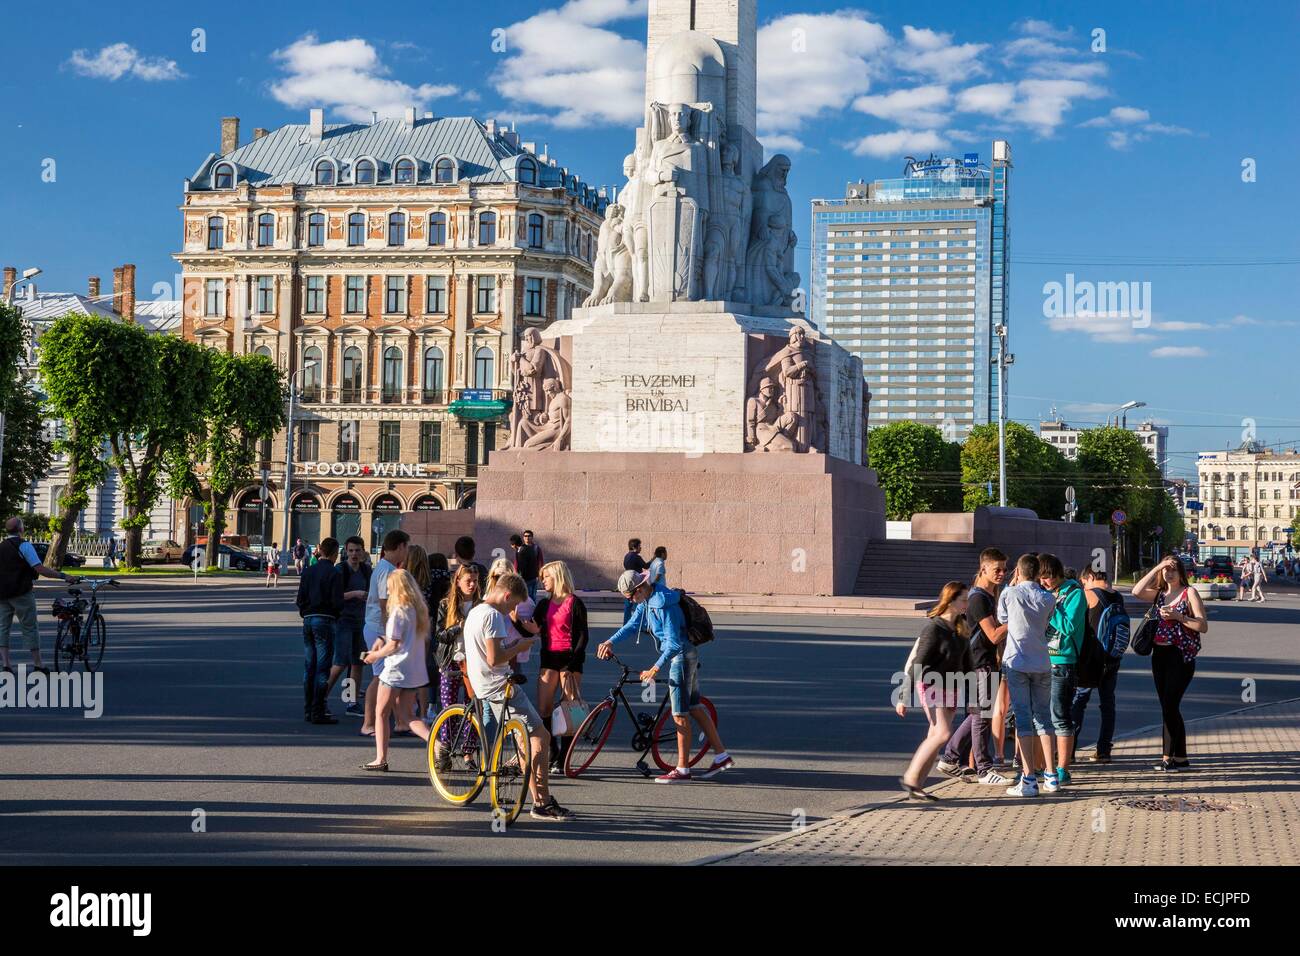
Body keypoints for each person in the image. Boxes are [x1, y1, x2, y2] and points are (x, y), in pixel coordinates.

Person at [598, 570, 733, 782]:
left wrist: (655, 667)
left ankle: (682, 769)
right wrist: (610, 641)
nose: (631, 601)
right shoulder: (648, 598)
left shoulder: (661, 603)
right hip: (687, 655)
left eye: (630, 596)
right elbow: (632, 625)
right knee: (695, 707)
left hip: (681, 658)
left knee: (680, 714)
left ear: (640, 588)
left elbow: (673, 643)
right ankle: (722, 756)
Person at [462, 571, 572, 821]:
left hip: (485, 686)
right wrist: (519, 646)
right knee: (540, 737)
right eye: (513, 604)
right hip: (500, 685)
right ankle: (542, 802)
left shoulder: (476, 611)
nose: (512, 611)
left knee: (526, 739)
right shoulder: (493, 616)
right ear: (507, 595)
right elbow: (494, 658)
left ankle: (538, 798)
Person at [936, 548, 1010, 785]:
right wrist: (1019, 618)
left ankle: (950, 758)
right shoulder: (978, 598)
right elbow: (994, 635)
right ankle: (984, 769)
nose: (1002, 573)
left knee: (978, 714)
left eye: (1004, 569)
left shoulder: (986, 595)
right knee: (981, 716)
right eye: (997, 569)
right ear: (984, 568)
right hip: (980, 662)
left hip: (983, 662)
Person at [1132, 555, 1208, 771]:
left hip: (1181, 656)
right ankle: (1182, 758)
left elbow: (1203, 626)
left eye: (1173, 569)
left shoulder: (1189, 593)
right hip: (1159, 655)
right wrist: (1158, 566)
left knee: (1169, 705)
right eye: (1166, 570)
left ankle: (1168, 757)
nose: (1169, 573)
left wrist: (1179, 616)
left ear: (1181, 572)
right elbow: (1136, 591)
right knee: (1169, 706)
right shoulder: (1159, 595)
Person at [898, 582, 973, 800]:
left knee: (934, 735)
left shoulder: (961, 627)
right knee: (943, 733)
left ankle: (917, 787)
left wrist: (975, 694)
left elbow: (968, 664)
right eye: (964, 600)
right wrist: (904, 696)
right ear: (950, 600)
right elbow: (917, 664)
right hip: (931, 685)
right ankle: (911, 777)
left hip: (952, 686)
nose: (967, 604)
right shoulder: (934, 628)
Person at [997, 553, 1058, 797]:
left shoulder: (1009, 594)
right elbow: (1048, 623)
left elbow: (1004, 619)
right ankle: (1051, 776)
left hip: (1017, 662)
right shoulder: (1048, 597)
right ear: (1038, 574)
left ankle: (1029, 778)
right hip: (1042, 661)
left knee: (1023, 718)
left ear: (1019, 572)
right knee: (1044, 717)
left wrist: (1013, 586)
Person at [360, 569, 432, 770]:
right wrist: (382, 639)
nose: (388, 592)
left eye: (390, 588)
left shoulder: (398, 611)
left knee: (381, 713)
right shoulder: (417, 611)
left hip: (394, 670)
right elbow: (400, 638)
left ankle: (380, 758)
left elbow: (394, 645)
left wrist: (374, 655)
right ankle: (437, 745)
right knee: (409, 716)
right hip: (413, 671)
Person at [533, 560, 589, 772]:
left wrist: (574, 661)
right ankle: (552, 750)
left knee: (569, 709)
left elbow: (583, 635)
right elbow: (533, 627)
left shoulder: (574, 602)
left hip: (570, 659)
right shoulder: (544, 604)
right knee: (544, 707)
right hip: (548, 658)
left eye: (546, 577)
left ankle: (564, 757)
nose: (543, 581)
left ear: (557, 576)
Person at [0, 517, 75, 675]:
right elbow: (40, 569)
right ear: (21, 529)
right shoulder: (24, 545)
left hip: (2, 594)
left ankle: (6, 664)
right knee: (30, 628)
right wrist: (63, 576)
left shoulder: (1, 546)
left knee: (2, 628)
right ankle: (38, 664)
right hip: (22, 593)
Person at [1070, 565, 1126, 763]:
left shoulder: (1088, 595)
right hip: (1113, 657)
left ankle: (1069, 750)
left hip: (1091, 658)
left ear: (1090, 577)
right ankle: (1103, 750)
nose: (1083, 585)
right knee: (1108, 703)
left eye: (1084, 581)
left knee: (1079, 701)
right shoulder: (1118, 597)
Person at [1038, 553, 1085, 788]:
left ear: (1057, 573)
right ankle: (1042, 765)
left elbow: (1068, 626)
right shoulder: (1045, 593)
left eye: (1047, 577)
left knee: (1060, 717)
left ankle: (1063, 769)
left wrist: (1050, 607)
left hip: (1063, 661)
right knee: (1041, 717)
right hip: (1041, 660)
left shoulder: (1074, 592)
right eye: (1041, 578)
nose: (1044, 582)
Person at [360, 530, 409, 738]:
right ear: (399, 547)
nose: (406, 552)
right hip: (379, 630)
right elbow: (384, 605)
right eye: (406, 547)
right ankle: (368, 723)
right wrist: (390, 635)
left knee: (391, 676)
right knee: (380, 677)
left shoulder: (384, 567)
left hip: (377, 628)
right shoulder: (387, 571)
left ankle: (400, 722)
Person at [432, 565, 482, 767]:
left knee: (474, 707)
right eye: (468, 580)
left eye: (475, 581)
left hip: (473, 662)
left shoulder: (481, 605)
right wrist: (457, 628)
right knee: (449, 707)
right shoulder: (447, 604)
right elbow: (439, 635)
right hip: (451, 659)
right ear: (458, 581)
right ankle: (445, 750)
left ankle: (469, 752)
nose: (472, 585)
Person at [295, 536, 344, 725]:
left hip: (308, 619)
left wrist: (306, 612)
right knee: (323, 668)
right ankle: (318, 710)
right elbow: (337, 602)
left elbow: (300, 598)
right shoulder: (334, 573)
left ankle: (308, 709)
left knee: (310, 666)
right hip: (326, 619)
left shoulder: (308, 571)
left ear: (321, 551)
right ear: (335, 553)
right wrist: (334, 614)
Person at [327, 536, 370, 717]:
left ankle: (351, 702)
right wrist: (354, 594)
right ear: (345, 551)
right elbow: (334, 596)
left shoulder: (367, 570)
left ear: (362, 551)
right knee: (340, 662)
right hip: (343, 621)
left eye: (357, 550)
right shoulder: (340, 570)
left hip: (361, 621)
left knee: (357, 662)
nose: (354, 554)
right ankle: (320, 697)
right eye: (350, 550)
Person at [405, 545, 434, 723]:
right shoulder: (428, 581)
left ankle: (409, 707)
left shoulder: (406, 581)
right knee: (421, 668)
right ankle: (424, 712)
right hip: (425, 625)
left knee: (407, 668)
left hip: (409, 626)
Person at [512, 530, 544, 601]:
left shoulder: (536, 548)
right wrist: (515, 573)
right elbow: (517, 563)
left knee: (533, 596)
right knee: (527, 596)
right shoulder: (520, 548)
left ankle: (533, 611)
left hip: (534, 577)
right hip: (524, 577)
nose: (527, 538)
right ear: (523, 538)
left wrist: (540, 574)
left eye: (529, 536)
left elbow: (540, 562)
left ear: (532, 537)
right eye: (525, 536)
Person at [621, 539, 648, 623]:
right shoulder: (636, 557)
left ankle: (626, 624)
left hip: (628, 584)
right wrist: (653, 558)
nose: (641, 548)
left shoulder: (626, 556)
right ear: (634, 547)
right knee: (640, 605)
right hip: (637, 584)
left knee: (628, 606)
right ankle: (641, 625)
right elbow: (646, 566)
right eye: (639, 546)